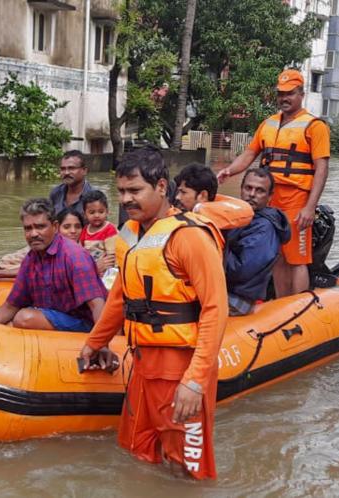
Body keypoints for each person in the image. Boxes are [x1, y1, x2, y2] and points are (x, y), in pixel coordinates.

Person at [79, 146, 228, 480]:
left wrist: (195, 380)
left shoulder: (189, 237)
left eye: (135, 190)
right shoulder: (130, 235)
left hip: (180, 366)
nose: (126, 199)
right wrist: (95, 342)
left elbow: (216, 309)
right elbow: (120, 298)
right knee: (136, 450)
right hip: (142, 364)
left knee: (186, 468)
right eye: (121, 191)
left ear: (161, 187)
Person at [217, 69, 330, 297]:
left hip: (297, 200)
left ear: (301, 94)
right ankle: (280, 304)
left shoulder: (314, 126)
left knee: (297, 258)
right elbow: (249, 155)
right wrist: (229, 170)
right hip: (269, 199)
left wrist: (310, 207)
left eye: (290, 93)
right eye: (280, 94)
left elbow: (322, 169)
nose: (284, 98)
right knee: (276, 254)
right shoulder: (267, 124)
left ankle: (299, 308)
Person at [0, 199, 106, 331]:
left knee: (24, 318)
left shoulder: (74, 257)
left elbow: (97, 305)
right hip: (55, 316)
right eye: (28, 228)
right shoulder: (31, 259)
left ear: (55, 227)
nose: (33, 234)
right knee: (11, 321)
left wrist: (99, 344)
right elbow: (11, 305)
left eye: (40, 227)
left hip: (84, 323)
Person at [223, 168, 290, 315]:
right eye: (248, 188)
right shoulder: (239, 216)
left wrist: (214, 246)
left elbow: (240, 271)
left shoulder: (265, 228)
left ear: (270, 196)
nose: (252, 194)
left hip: (236, 299)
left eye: (260, 191)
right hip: (225, 291)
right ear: (241, 189)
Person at [0, 208, 86, 288]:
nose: (73, 231)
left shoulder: (82, 251)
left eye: (77, 227)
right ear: (56, 228)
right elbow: (26, 265)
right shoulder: (47, 245)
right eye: (67, 227)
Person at [78, 190, 118, 276]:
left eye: (101, 211)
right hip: (91, 268)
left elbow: (111, 256)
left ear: (107, 212)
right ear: (85, 214)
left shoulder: (109, 229)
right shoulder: (85, 230)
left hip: (106, 270)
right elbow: (81, 251)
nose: (97, 215)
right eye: (92, 212)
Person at [49, 150, 96, 216]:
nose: (66, 173)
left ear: (84, 171)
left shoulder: (95, 196)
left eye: (71, 168)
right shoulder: (55, 193)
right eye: (63, 169)